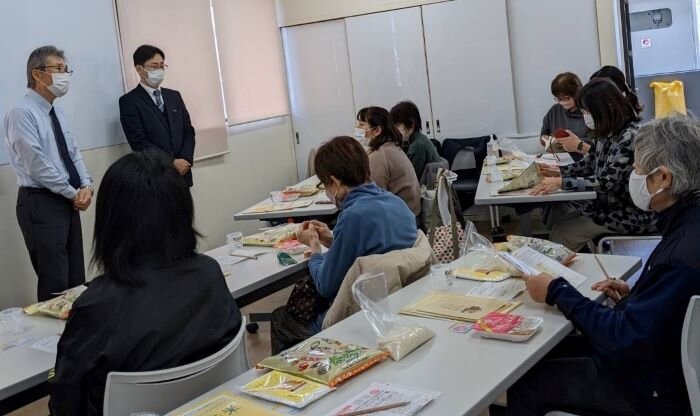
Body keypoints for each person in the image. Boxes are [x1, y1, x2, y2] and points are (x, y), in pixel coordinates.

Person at [509, 115, 700, 416]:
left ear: (663, 178)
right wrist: (637, 298)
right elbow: (670, 308)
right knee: (548, 355)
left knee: (525, 383)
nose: (634, 175)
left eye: (638, 168)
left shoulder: (682, 251)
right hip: (662, 360)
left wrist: (556, 290)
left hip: (651, 390)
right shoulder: (687, 226)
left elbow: (622, 337)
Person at [48, 150, 242, 415]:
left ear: (110, 222)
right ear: (182, 211)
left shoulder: (98, 306)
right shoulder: (209, 274)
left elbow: (65, 404)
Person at [270, 136, 417, 353]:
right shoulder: (397, 204)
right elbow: (372, 249)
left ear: (335, 182)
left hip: (359, 318)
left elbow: (326, 285)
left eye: (325, 185)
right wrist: (332, 239)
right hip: (400, 303)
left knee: (280, 318)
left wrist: (314, 248)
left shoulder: (353, 216)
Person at [4, 46, 93, 301]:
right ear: (38, 74)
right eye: (59, 69)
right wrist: (74, 193)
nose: (65, 75)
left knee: (76, 279)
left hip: (67, 200)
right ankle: (53, 339)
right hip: (41, 202)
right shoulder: (21, 113)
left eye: (67, 69)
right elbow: (37, 164)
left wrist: (86, 185)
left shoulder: (57, 111)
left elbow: (73, 152)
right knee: (55, 283)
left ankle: (78, 335)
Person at [531, 78, 656, 251]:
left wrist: (561, 182)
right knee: (559, 224)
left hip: (627, 213)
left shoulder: (630, 137)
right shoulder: (607, 134)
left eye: (587, 112)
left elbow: (606, 182)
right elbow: (588, 164)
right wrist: (555, 172)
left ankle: (569, 274)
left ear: (605, 108)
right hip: (605, 208)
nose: (585, 117)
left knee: (564, 234)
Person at [119, 45, 196, 186]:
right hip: (155, 175)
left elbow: (188, 131)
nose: (159, 70)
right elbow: (139, 142)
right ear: (139, 69)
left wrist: (185, 160)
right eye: (154, 67)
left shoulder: (174, 96)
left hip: (183, 174)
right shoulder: (129, 101)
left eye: (162, 66)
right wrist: (171, 162)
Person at [357, 106, 422, 217]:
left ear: (377, 130)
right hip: (408, 214)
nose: (357, 128)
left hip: (400, 219)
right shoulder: (390, 147)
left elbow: (374, 197)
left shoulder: (379, 155)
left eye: (362, 124)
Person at [539, 72, 591, 160]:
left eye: (566, 98)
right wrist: (548, 141)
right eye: (559, 99)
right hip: (560, 160)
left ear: (577, 93)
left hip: (585, 160)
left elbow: (598, 146)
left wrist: (576, 143)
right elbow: (543, 135)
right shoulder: (555, 110)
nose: (563, 102)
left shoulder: (589, 113)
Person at [389, 101, 440, 178]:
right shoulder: (420, 139)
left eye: (397, 126)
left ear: (411, 124)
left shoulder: (418, 145)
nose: (394, 130)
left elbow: (410, 178)